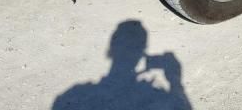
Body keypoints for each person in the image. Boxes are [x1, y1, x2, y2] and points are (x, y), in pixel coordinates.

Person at [52, 20, 191, 110]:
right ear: (143, 52)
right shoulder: (160, 96)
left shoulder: (71, 96)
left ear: (110, 51)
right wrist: (175, 82)